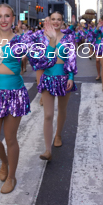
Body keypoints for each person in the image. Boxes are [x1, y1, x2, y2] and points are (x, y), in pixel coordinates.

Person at [0, 5, 58, 193]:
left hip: (14, 94)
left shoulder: (22, 41)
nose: (3, 20)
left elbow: (43, 62)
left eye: (7, 16)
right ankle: (5, 161)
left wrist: (52, 42)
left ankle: (11, 176)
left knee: (10, 139)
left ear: (13, 19)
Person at [35, 12, 76, 161]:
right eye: (53, 19)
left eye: (59, 19)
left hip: (64, 78)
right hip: (48, 78)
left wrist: (71, 77)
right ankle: (47, 150)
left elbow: (71, 59)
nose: (56, 22)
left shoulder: (69, 38)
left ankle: (58, 135)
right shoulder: (42, 38)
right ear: (49, 21)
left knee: (62, 110)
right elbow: (42, 62)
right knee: (48, 114)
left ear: (63, 22)